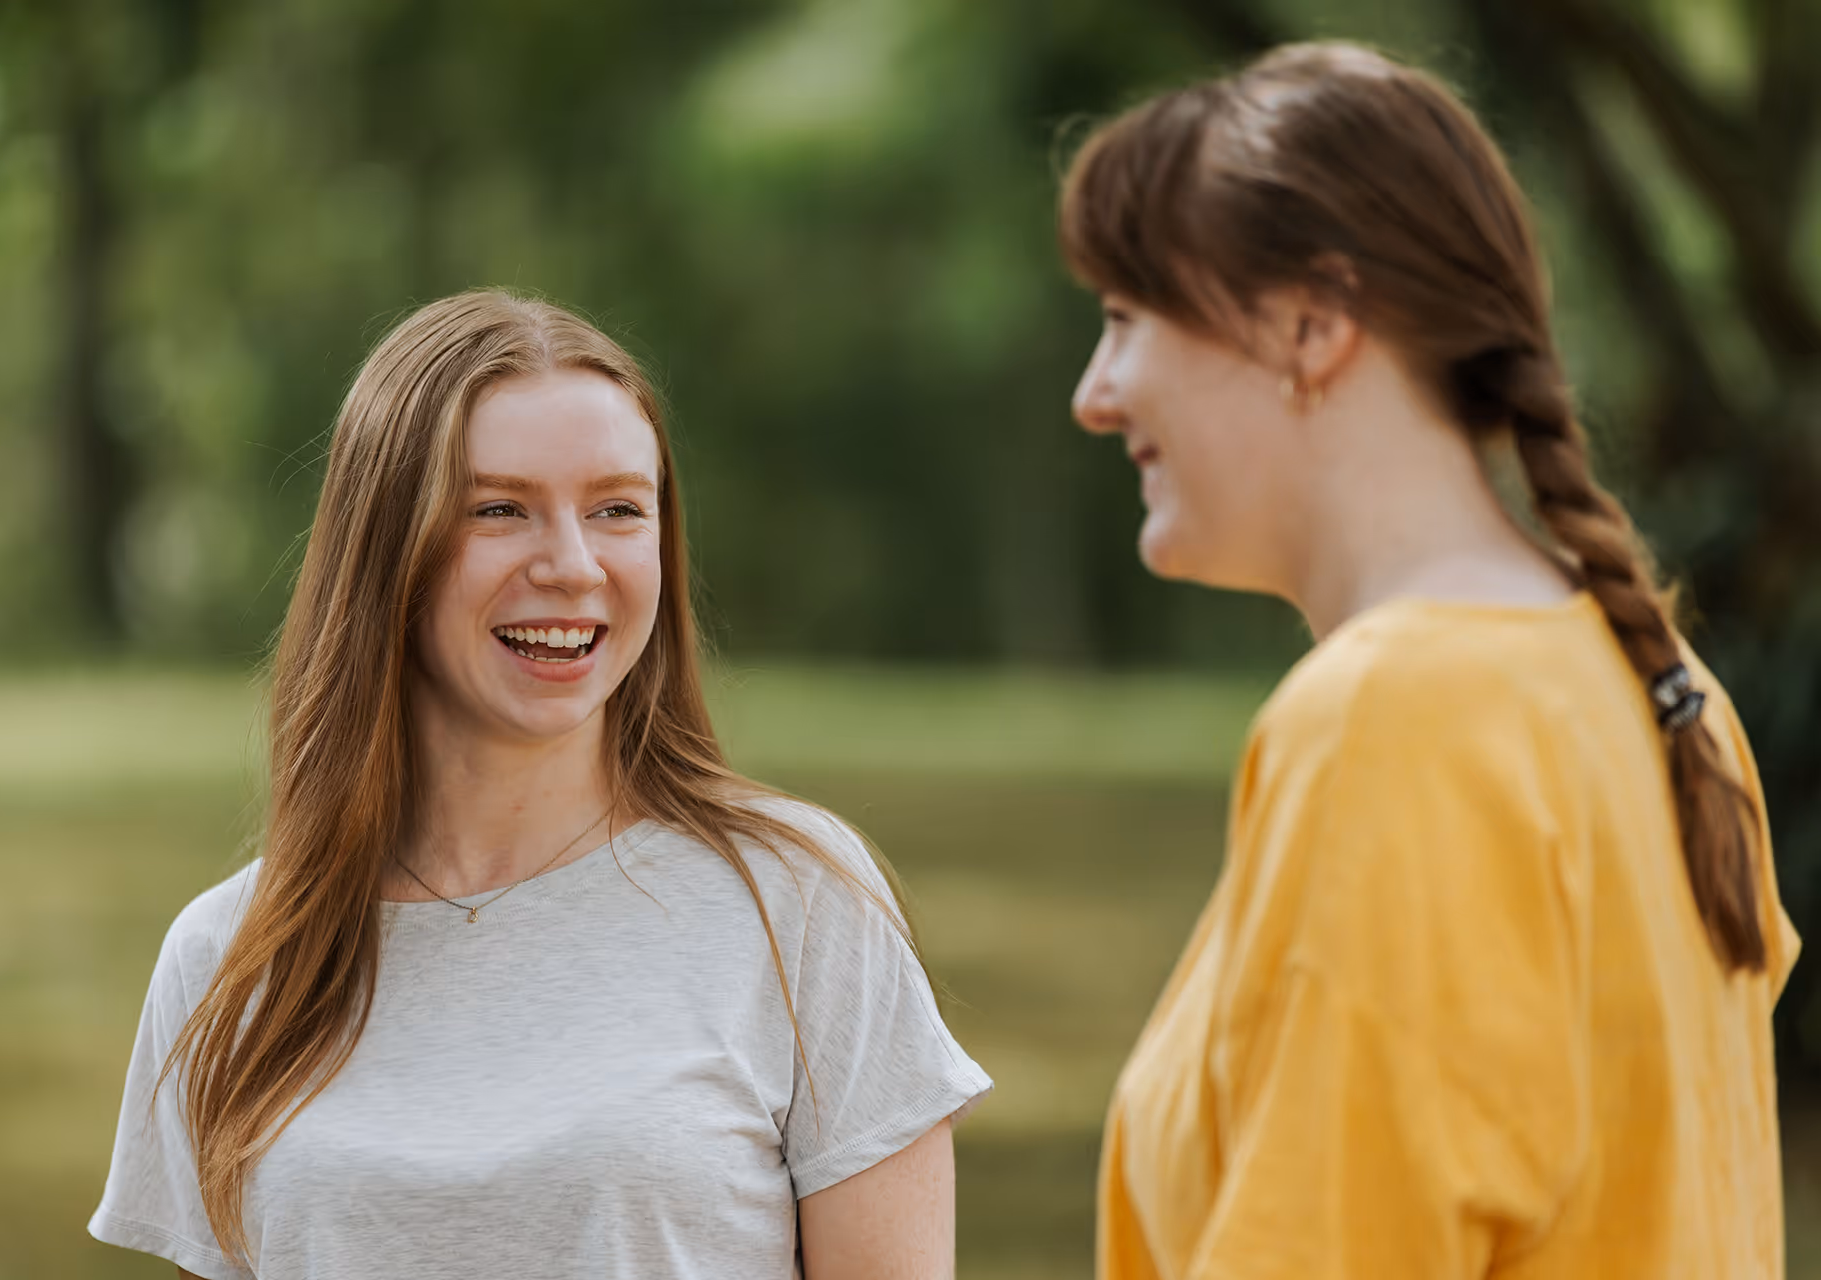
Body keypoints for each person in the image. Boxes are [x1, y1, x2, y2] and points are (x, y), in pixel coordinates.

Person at [1058, 42, 1798, 1278]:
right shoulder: (1654, 683)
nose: (1096, 391)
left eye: (1128, 317)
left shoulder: (1401, 716)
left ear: (1310, 322)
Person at [87, 290, 989, 1280]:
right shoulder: (230, 960)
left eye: (617, 509)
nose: (572, 564)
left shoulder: (800, 902)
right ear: (386, 552)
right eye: (499, 509)